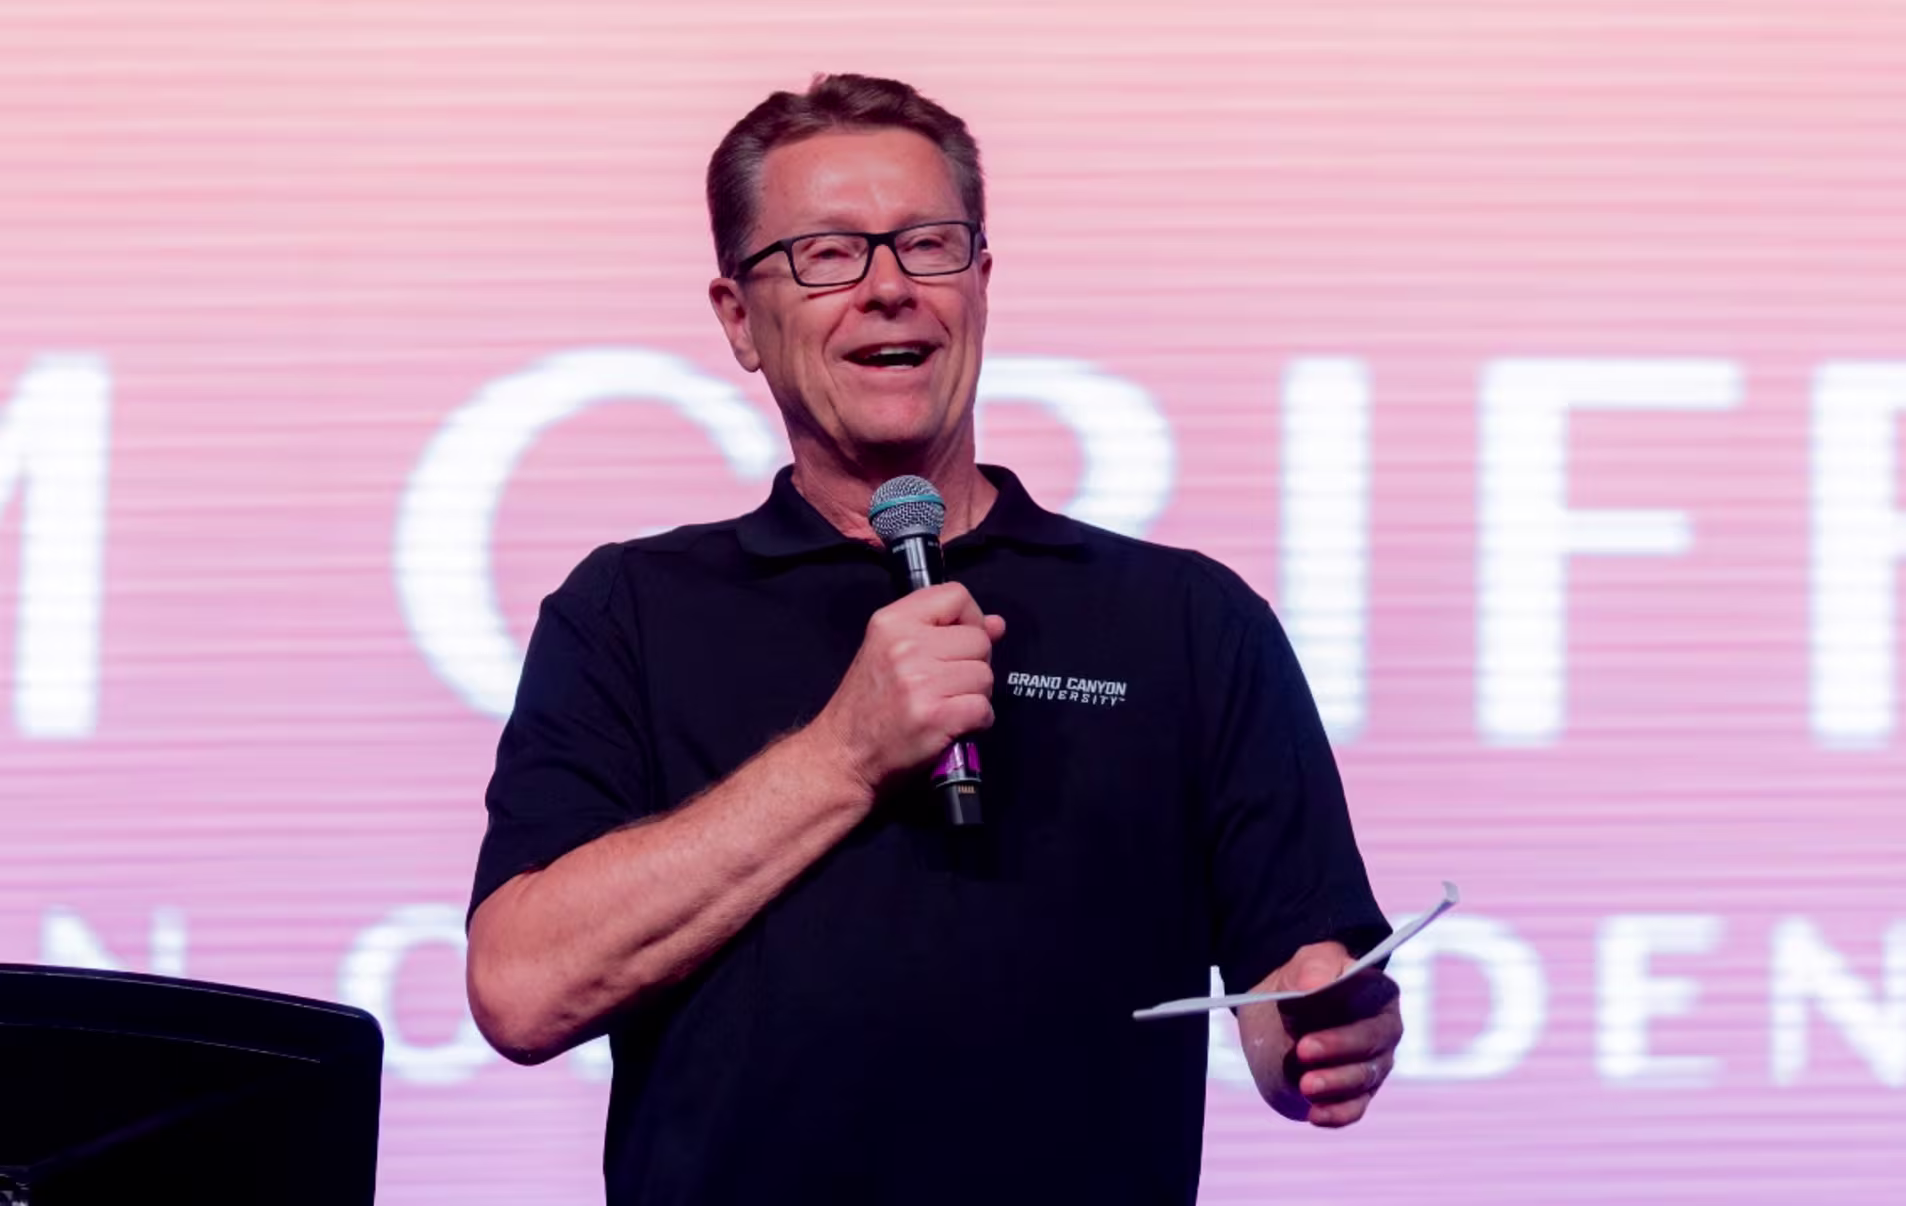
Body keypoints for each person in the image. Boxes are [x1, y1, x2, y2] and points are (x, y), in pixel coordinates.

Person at [465, 73, 1402, 1205]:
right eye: (827, 255)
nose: (889, 290)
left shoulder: (1189, 620)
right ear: (737, 318)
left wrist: (1319, 1032)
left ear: (984, 283)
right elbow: (522, 988)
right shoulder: (630, 611)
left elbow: (1288, 993)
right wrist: (843, 754)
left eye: (928, 246)